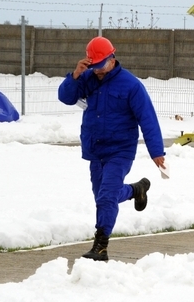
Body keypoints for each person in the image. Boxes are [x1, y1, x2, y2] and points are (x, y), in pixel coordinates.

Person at [58, 36, 166, 260]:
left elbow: (148, 119)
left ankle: (101, 246)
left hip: (120, 150)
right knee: (102, 196)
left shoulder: (131, 85)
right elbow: (66, 98)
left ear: (111, 58)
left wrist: (157, 152)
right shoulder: (88, 77)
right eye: (93, 65)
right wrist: (75, 75)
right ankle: (136, 190)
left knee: (106, 197)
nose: (97, 70)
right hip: (95, 149)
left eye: (100, 65)